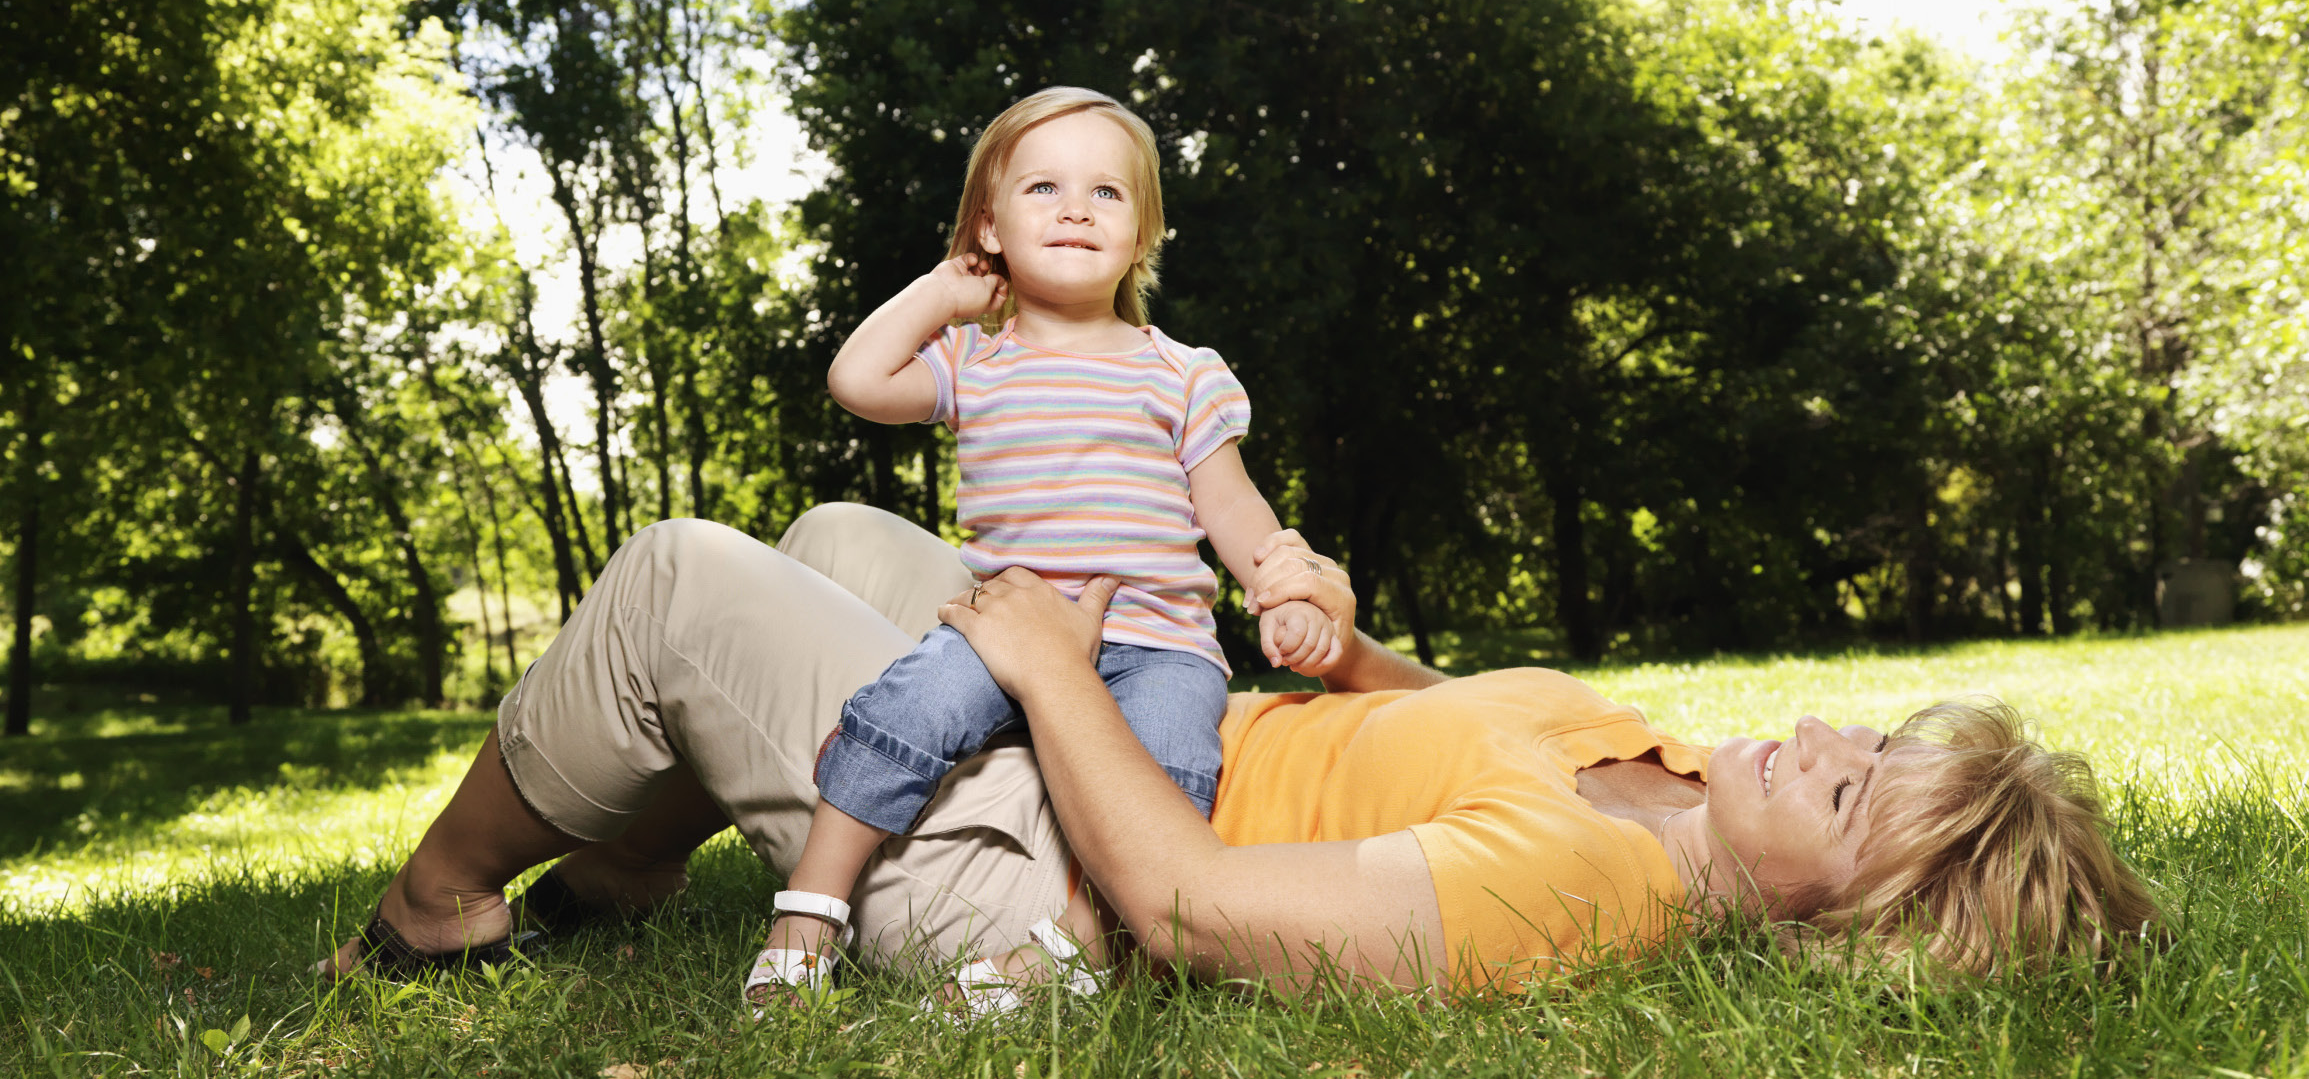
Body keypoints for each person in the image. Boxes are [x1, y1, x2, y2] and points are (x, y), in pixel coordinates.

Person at [321, 505, 2158, 998]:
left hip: (1043, 870)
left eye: (1840, 791)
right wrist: (1330, 634)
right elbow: (1441, 724)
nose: (1816, 734)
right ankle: (634, 859)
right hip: (1119, 747)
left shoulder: (1579, 890)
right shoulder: (1655, 764)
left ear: (1835, 917)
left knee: (676, 586)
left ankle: (437, 907)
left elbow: (1188, 909)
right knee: (835, 542)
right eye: (1860, 737)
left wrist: (1049, 670)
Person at [757, 86, 1341, 1006]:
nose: (1075, 207)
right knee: (908, 704)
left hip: (1156, 645)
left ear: (1142, 233)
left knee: (1162, 773)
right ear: (988, 228)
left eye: (1107, 193)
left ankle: (1081, 946)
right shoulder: (972, 361)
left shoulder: (1183, 373)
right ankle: (812, 902)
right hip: (1009, 633)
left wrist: (1289, 586)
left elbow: (1235, 509)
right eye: (1042, 188)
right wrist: (940, 294)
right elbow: (856, 379)